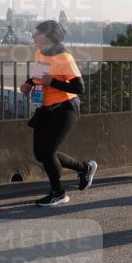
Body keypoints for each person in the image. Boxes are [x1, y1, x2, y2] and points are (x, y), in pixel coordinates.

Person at [21, 20, 97, 206]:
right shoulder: (40, 52)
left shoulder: (64, 57)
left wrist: (53, 83)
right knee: (41, 154)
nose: (33, 36)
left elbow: (79, 87)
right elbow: (40, 75)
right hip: (45, 107)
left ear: (48, 36)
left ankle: (59, 193)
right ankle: (84, 168)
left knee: (47, 152)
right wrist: (30, 83)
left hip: (65, 107)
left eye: (37, 33)